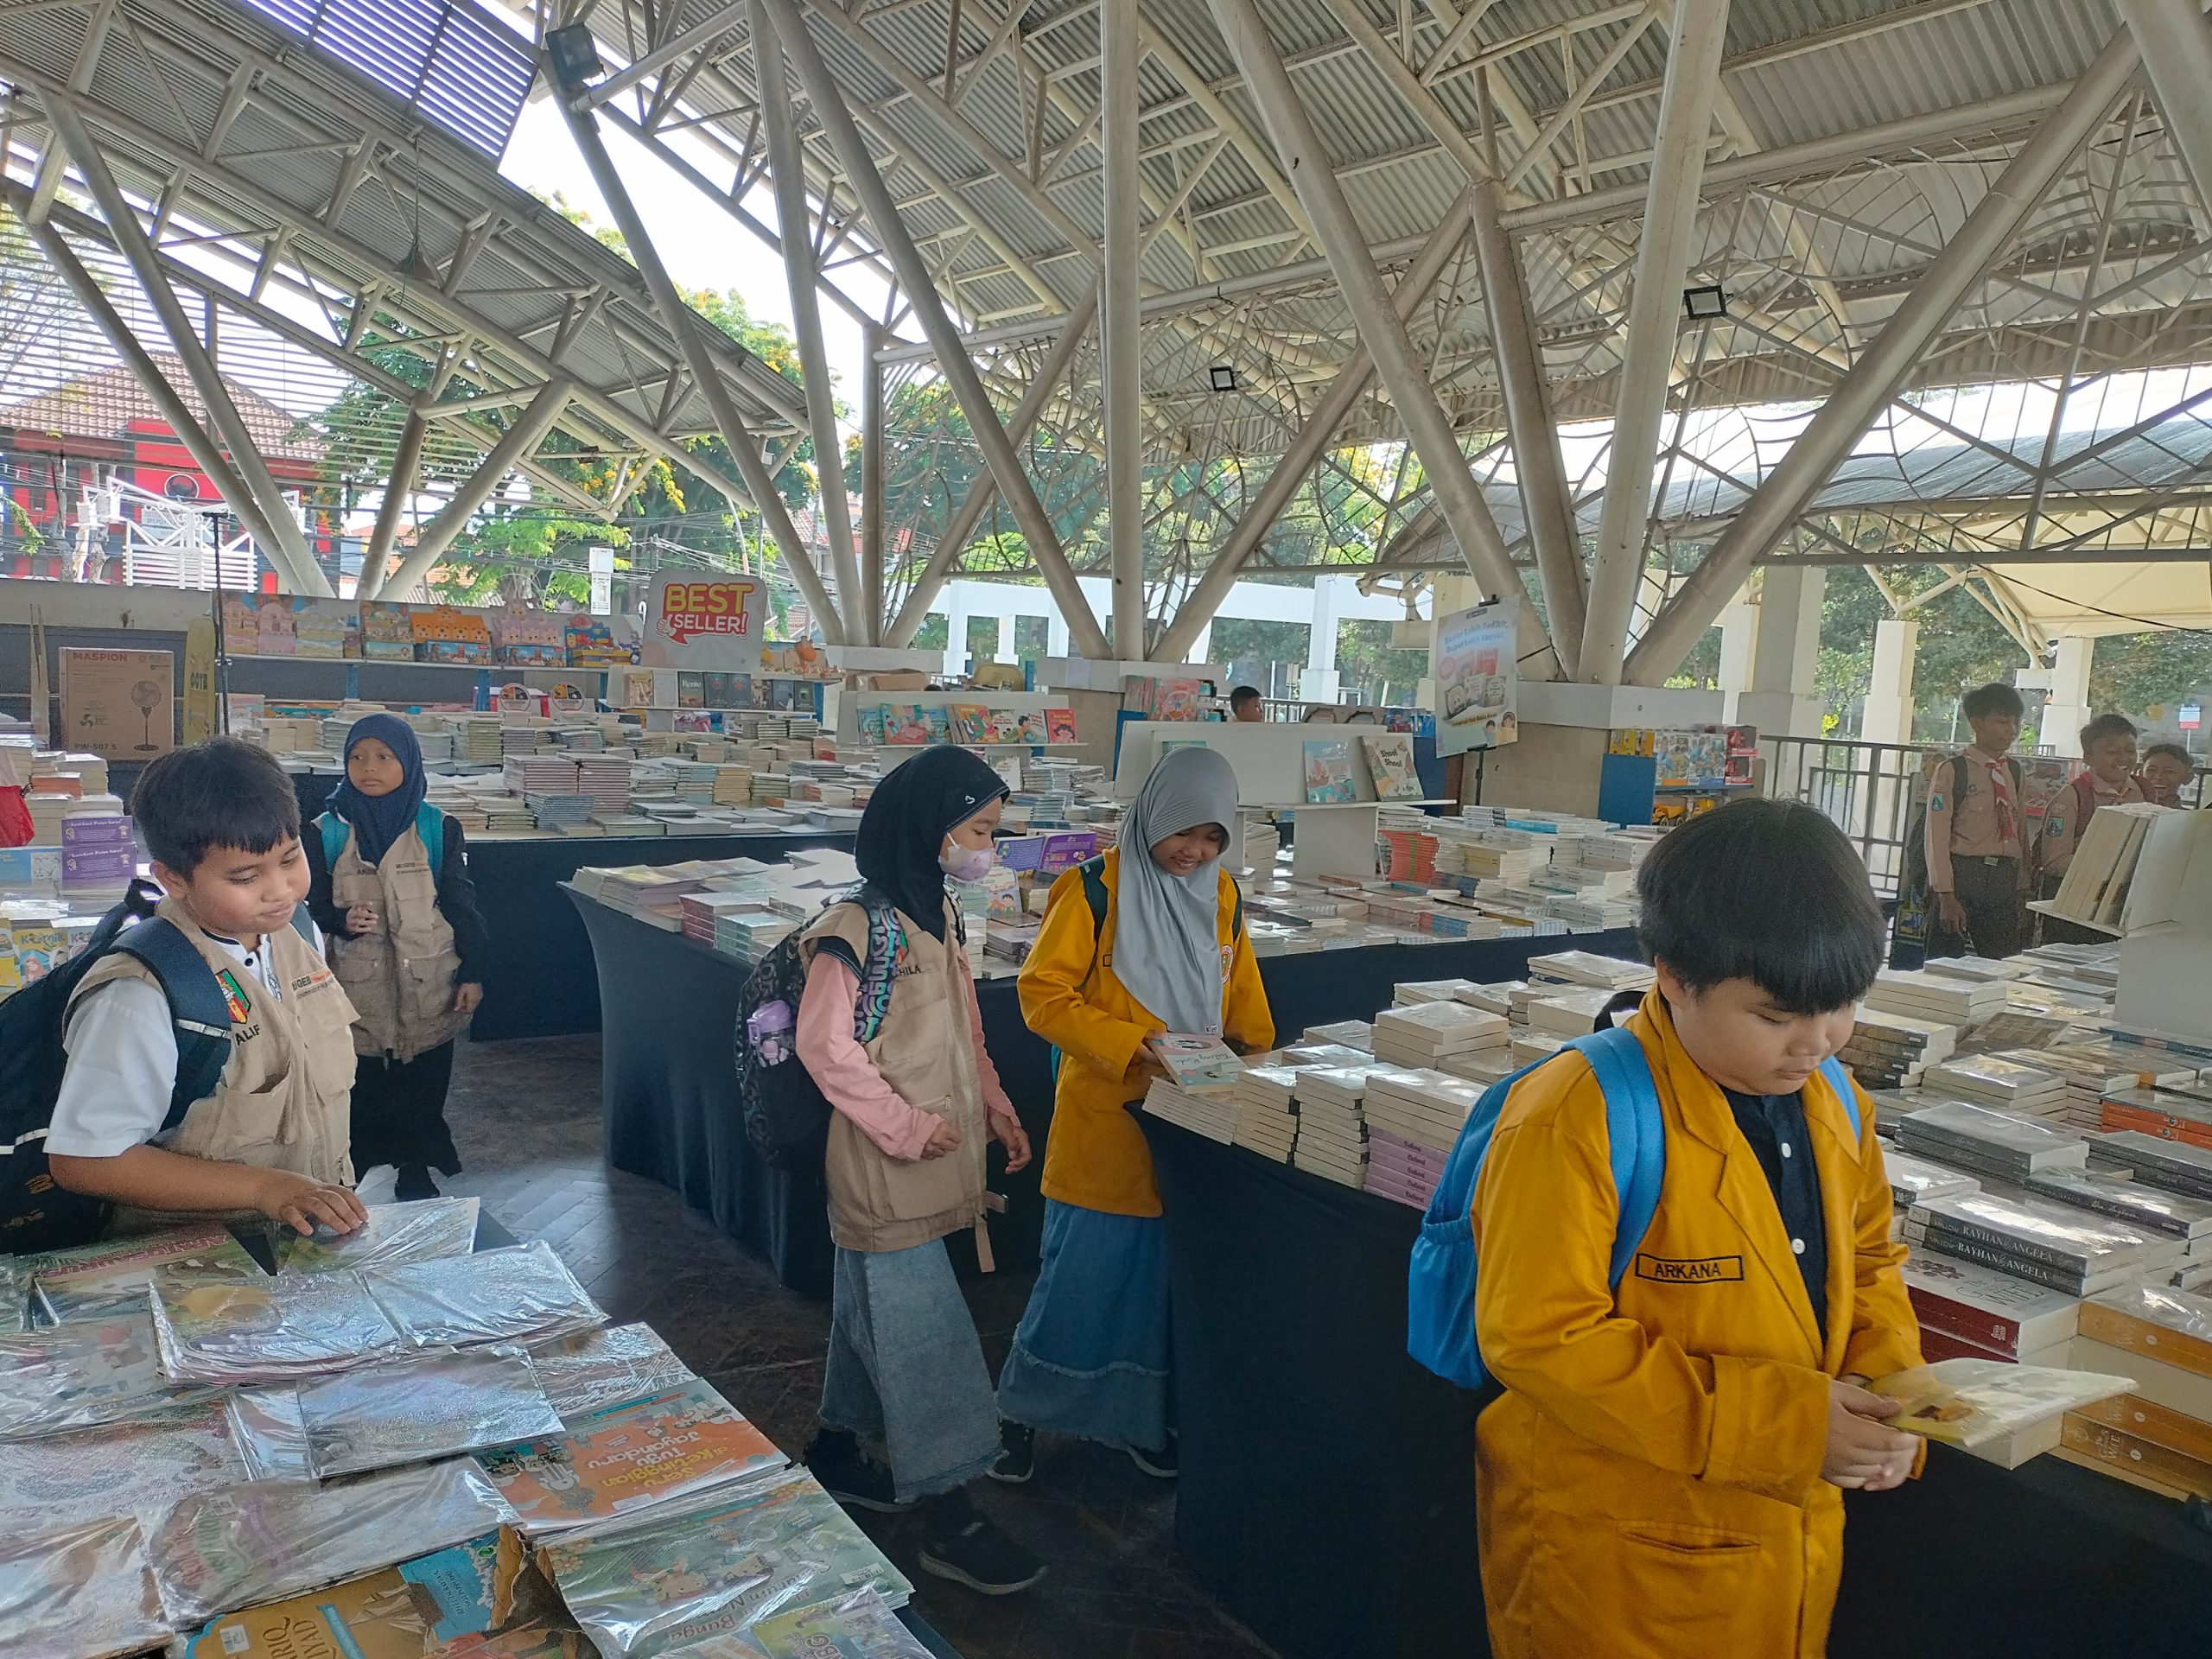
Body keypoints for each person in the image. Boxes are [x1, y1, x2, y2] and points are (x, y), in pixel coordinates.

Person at [1472, 798, 1922, 1659]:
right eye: (1774, 1015)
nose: (1816, 1042)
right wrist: (1792, 1427)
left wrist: (1893, 1391)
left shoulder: (1834, 1101)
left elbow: (1868, 1259)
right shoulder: (1576, 1112)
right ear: (1673, 976)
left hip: (1781, 1542)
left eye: (1842, 1006)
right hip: (1615, 1556)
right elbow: (1536, 1336)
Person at [795, 745, 1044, 1597]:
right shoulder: (854, 927)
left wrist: (996, 1105)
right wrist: (903, 1125)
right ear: (928, 829)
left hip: (932, 1153)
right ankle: (951, 1509)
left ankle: (836, 1449)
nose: (988, 847)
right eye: (977, 830)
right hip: (883, 1164)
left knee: (877, 1311)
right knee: (923, 1333)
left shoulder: (937, 915)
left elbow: (962, 1033)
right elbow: (822, 1047)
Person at [995, 746, 1273, 1483]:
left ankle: (1130, 1420)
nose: (1196, 851)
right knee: (1083, 1276)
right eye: (1186, 831)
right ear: (1154, 814)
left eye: (1215, 838)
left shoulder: (1222, 896)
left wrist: (1250, 1056)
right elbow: (1043, 995)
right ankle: (1020, 1414)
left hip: (1192, 1119)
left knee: (1152, 1285)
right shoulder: (1093, 891)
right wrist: (1135, 1043)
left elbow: (1242, 996)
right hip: (1109, 1118)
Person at [46, 738, 367, 1237]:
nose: (280, 890)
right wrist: (265, 1189)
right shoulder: (142, 993)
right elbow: (86, 1161)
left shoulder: (297, 931)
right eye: (245, 876)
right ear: (173, 878)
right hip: (196, 1270)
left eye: (289, 858)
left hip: (302, 1247)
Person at [305, 715, 489, 1201]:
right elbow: (310, 906)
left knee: (423, 1084)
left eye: (385, 757)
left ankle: (415, 1167)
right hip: (355, 988)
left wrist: (474, 972)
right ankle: (357, 1169)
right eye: (357, 758)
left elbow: (460, 903)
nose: (370, 768)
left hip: (430, 985)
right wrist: (341, 919)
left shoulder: (436, 827)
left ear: (408, 761)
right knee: (359, 1084)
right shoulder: (324, 831)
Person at [1924, 681, 2029, 958]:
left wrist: (2021, 885)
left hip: (2002, 880)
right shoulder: (1952, 771)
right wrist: (1946, 895)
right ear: (1977, 723)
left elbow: (2020, 833)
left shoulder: (2015, 772)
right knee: (1946, 963)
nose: (2012, 730)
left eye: (2016, 721)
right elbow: (1936, 837)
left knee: (2002, 962)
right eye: (2002, 721)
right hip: (1963, 876)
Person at [2038, 713, 2145, 944]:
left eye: (2130, 750)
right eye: (2112, 751)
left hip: (2125, 908)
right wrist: (2111, 869)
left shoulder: (2144, 792)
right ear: (2088, 756)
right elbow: (2054, 861)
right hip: (2078, 908)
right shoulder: (2072, 797)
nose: (2123, 758)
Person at [2138, 741, 2195, 810]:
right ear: (2141, 775)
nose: (2158, 777)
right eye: (2151, 770)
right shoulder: (2126, 812)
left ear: (2188, 777)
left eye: (2169, 771)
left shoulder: (2191, 818)